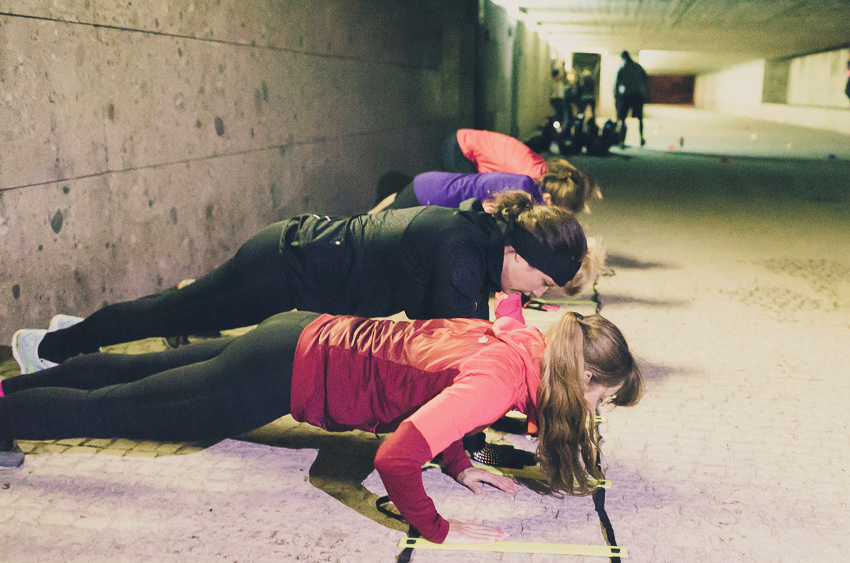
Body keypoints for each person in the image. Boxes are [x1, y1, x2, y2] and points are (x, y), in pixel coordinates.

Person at [0, 308, 644, 544]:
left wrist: (457, 464)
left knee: (133, 374)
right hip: (281, 373)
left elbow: (441, 386)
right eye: (602, 396)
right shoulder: (500, 384)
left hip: (301, 332)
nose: (595, 410)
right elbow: (395, 458)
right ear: (580, 375)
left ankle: (9, 391)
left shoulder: (526, 341)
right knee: (121, 409)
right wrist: (438, 527)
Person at [11, 192, 587, 375]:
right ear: (516, 252)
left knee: (178, 306)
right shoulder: (461, 253)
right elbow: (457, 353)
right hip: (286, 266)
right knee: (175, 313)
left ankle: (74, 329)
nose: (533, 293)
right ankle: (47, 346)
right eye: (539, 280)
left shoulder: (479, 238)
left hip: (299, 264)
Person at [436, 129, 602, 212]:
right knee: (466, 208)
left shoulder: (541, 171)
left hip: (465, 144)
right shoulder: (527, 178)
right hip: (460, 151)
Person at [372, 165, 598, 215]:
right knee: (370, 232)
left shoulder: (527, 185)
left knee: (372, 219)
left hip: (431, 184)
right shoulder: (524, 197)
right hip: (431, 196)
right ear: (548, 198)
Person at [615, 51, 649, 148]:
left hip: (627, 95)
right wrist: (642, 89)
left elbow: (617, 83)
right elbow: (645, 78)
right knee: (640, 118)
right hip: (637, 94)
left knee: (622, 118)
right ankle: (641, 138)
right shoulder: (638, 67)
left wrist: (617, 96)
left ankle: (622, 140)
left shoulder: (623, 68)